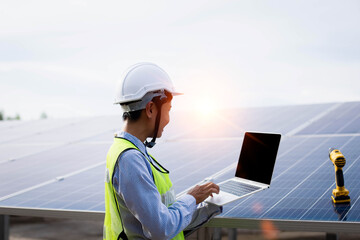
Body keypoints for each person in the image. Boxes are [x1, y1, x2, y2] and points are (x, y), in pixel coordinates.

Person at [104, 62, 222, 240]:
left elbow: (161, 216)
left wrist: (211, 206)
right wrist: (191, 198)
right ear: (151, 109)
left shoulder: (126, 150)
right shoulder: (130, 159)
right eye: (168, 110)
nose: (168, 119)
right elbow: (162, 228)